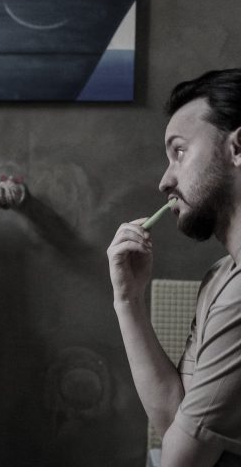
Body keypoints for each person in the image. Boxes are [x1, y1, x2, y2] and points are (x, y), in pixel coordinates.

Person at [108, 68, 241, 466]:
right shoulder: (222, 276)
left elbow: (180, 461)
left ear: (238, 148)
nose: (165, 180)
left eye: (179, 151)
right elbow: (173, 424)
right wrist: (128, 299)